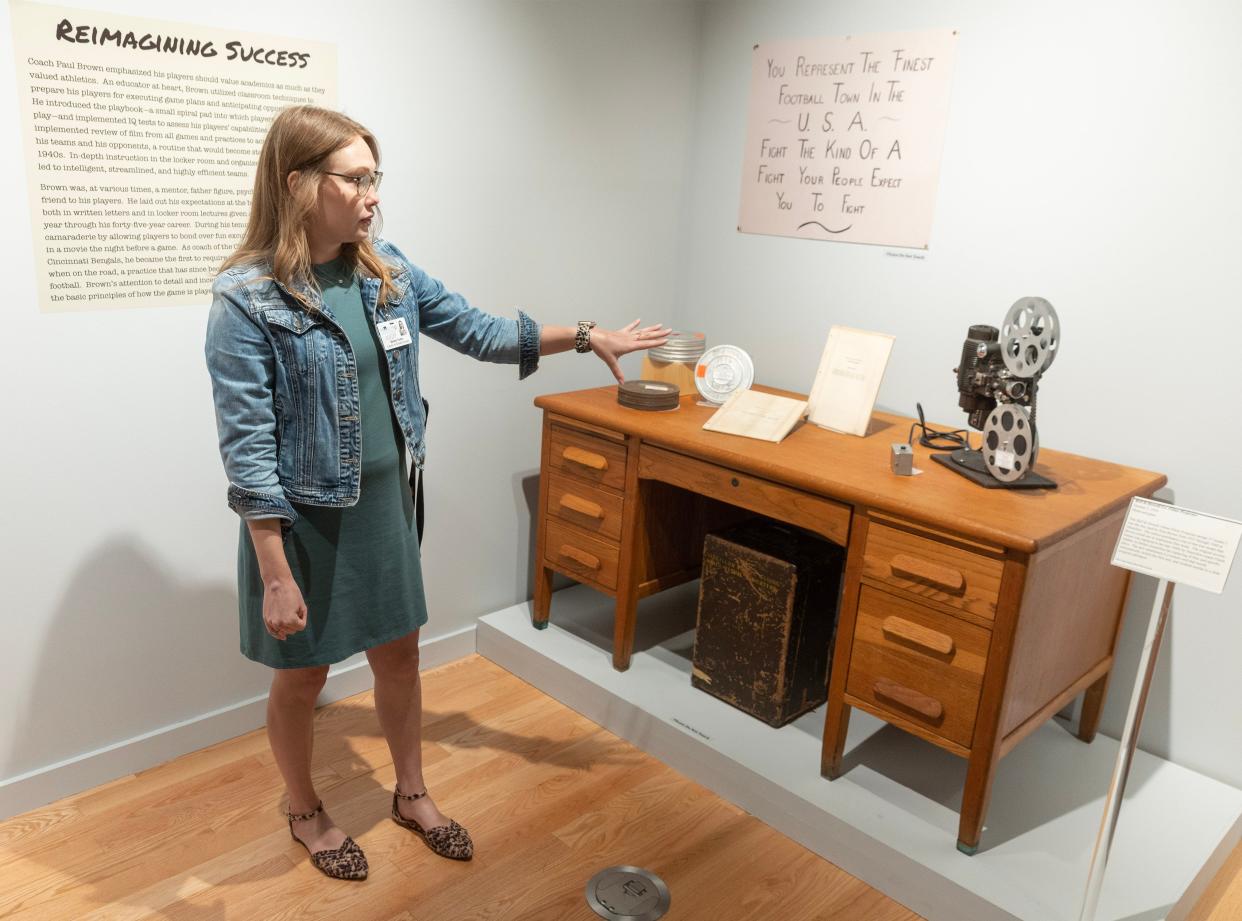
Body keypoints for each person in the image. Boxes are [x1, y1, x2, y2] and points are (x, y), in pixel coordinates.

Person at [204, 105, 668, 881]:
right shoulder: (246, 299)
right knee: (303, 676)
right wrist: (276, 572)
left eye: (374, 177)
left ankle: (410, 790)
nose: (371, 195)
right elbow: (248, 450)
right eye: (354, 178)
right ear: (298, 184)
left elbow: (483, 331)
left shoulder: (388, 271)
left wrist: (587, 336)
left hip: (386, 510)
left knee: (401, 657)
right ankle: (304, 809)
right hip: (302, 525)